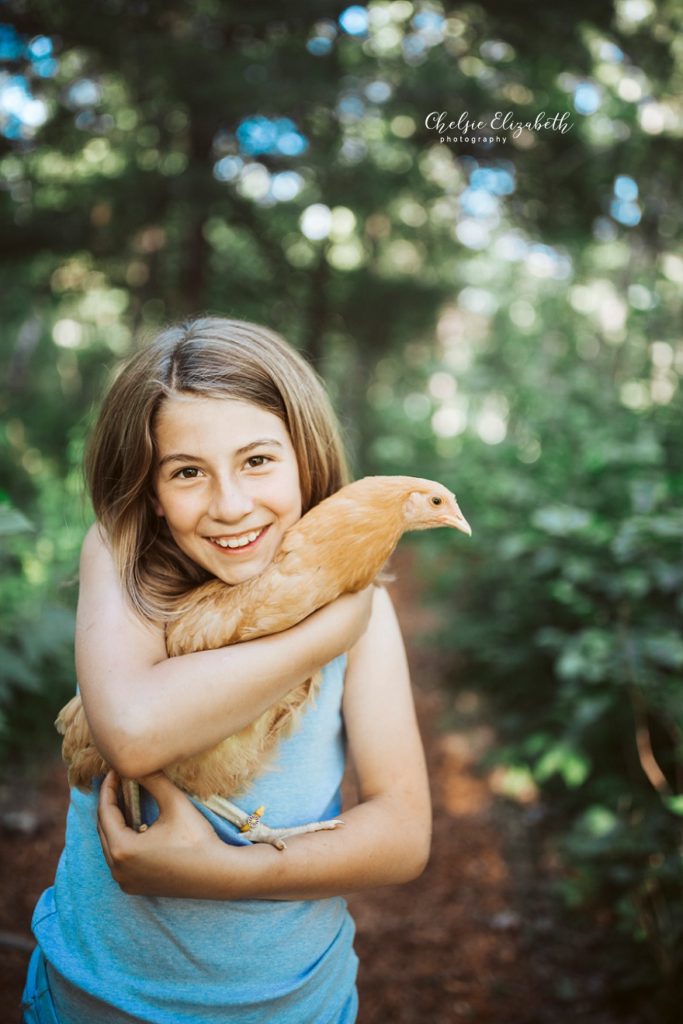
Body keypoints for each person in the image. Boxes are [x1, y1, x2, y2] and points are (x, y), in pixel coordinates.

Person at [22, 317, 431, 1024]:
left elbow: (403, 834)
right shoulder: (127, 564)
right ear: (150, 491)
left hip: (291, 1007)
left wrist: (224, 872)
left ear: (305, 458)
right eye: (187, 472)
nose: (231, 505)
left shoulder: (369, 617)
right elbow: (134, 734)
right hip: (97, 1002)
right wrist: (317, 636)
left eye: (258, 461)